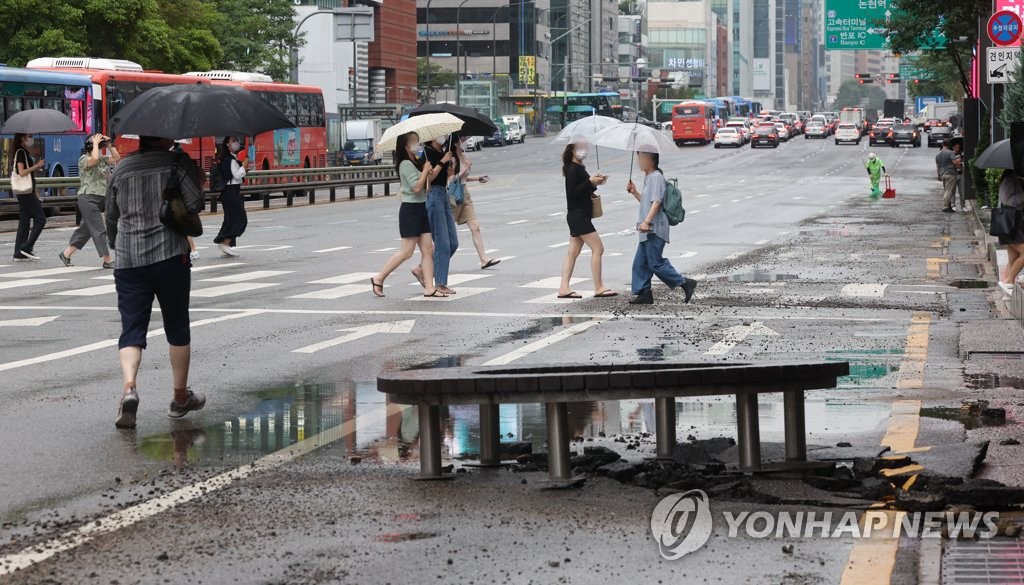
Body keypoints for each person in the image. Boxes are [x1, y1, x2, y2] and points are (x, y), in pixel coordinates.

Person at [105, 135, 206, 429]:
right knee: (177, 325)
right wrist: (196, 178)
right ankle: (179, 398)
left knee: (132, 329)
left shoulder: (121, 168)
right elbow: (195, 204)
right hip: (170, 256)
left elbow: (111, 215)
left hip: (128, 260)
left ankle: (129, 387)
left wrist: (118, 245)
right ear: (165, 137)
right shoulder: (178, 162)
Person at [372, 132, 447, 298]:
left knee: (428, 249)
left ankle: (429, 287)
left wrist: (429, 170)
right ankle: (378, 278)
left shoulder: (416, 161)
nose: (417, 144)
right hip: (410, 210)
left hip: (421, 208)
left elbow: (425, 185)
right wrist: (425, 170)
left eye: (417, 141)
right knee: (406, 252)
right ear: (406, 145)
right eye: (414, 141)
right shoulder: (405, 163)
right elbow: (415, 188)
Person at [626, 151, 697, 305]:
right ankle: (644, 293)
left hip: (655, 228)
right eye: (639, 158)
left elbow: (657, 203)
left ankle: (685, 283)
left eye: (642, 158)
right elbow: (646, 202)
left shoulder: (656, 177)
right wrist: (634, 192)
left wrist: (647, 222)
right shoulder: (649, 177)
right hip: (648, 229)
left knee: (655, 263)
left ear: (651, 160)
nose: (639, 161)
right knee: (640, 263)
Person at [557, 140, 616, 298]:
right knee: (598, 249)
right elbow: (572, 194)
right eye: (580, 147)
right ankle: (598, 287)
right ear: (572, 150)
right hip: (578, 216)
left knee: (573, 252)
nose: (584, 150)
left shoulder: (577, 168)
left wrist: (595, 182)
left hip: (577, 215)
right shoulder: (572, 169)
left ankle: (564, 288)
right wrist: (590, 181)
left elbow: (582, 189)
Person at [59, 133, 120, 268]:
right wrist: (96, 143)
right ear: (91, 147)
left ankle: (66, 253)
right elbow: (93, 159)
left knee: (86, 230)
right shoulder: (83, 159)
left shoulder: (102, 159)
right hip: (88, 198)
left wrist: (109, 145)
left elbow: (117, 157)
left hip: (99, 199)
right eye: (97, 146)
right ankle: (107, 259)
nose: (99, 149)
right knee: (99, 229)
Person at [451, 133, 500, 270]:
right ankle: (425, 265)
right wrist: (466, 168)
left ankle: (483, 259)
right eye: (463, 140)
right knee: (447, 232)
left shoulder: (464, 157)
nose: (466, 142)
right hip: (453, 195)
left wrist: (477, 178)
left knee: (475, 226)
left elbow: (463, 179)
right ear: (456, 143)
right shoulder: (451, 159)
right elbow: (451, 179)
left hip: (465, 194)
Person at [420, 135, 459, 295]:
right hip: (434, 196)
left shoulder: (443, 151)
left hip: (444, 194)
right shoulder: (427, 153)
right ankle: (440, 283)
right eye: (441, 134)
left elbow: (446, 176)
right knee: (442, 243)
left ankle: (421, 269)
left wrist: (450, 169)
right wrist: (442, 161)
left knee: (453, 243)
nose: (443, 136)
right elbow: (429, 178)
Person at [9, 133, 46, 261]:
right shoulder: (21, 152)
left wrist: (35, 192)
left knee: (24, 223)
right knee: (41, 219)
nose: (31, 138)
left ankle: (18, 252)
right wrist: (37, 165)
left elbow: (29, 177)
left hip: (26, 192)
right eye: (28, 136)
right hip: (25, 193)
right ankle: (26, 247)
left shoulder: (22, 152)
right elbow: (22, 172)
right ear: (22, 138)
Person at [212, 136, 248, 258]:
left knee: (231, 218)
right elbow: (237, 176)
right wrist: (244, 166)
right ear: (227, 144)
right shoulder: (230, 160)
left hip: (229, 192)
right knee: (239, 218)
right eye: (233, 141)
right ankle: (224, 242)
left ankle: (226, 244)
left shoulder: (229, 159)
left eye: (237, 140)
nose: (237, 143)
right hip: (231, 192)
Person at [997, 170, 1024, 296]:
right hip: (1009, 223)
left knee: (1013, 258)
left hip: (1014, 222)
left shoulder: (1014, 178)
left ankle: (1006, 292)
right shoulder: (1008, 179)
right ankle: (1009, 281)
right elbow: (1006, 201)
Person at [936, 141, 963, 213]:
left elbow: (938, 166)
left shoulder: (938, 154)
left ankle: (949, 206)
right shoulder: (950, 152)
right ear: (949, 145)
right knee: (949, 191)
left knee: (946, 190)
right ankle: (945, 206)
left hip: (942, 174)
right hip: (950, 173)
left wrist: (938, 174)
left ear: (943, 144)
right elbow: (955, 162)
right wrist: (961, 166)